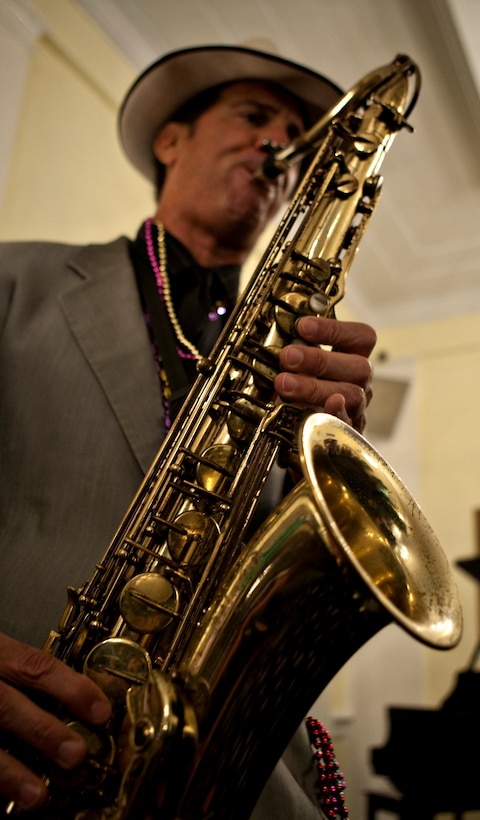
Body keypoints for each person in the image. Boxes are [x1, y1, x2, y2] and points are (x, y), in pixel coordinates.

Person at [0, 45, 377, 816]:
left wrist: (324, 455)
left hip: (231, 780)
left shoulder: (295, 356)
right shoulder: (14, 280)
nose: (280, 139)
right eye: (252, 114)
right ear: (168, 141)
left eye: (296, 129)